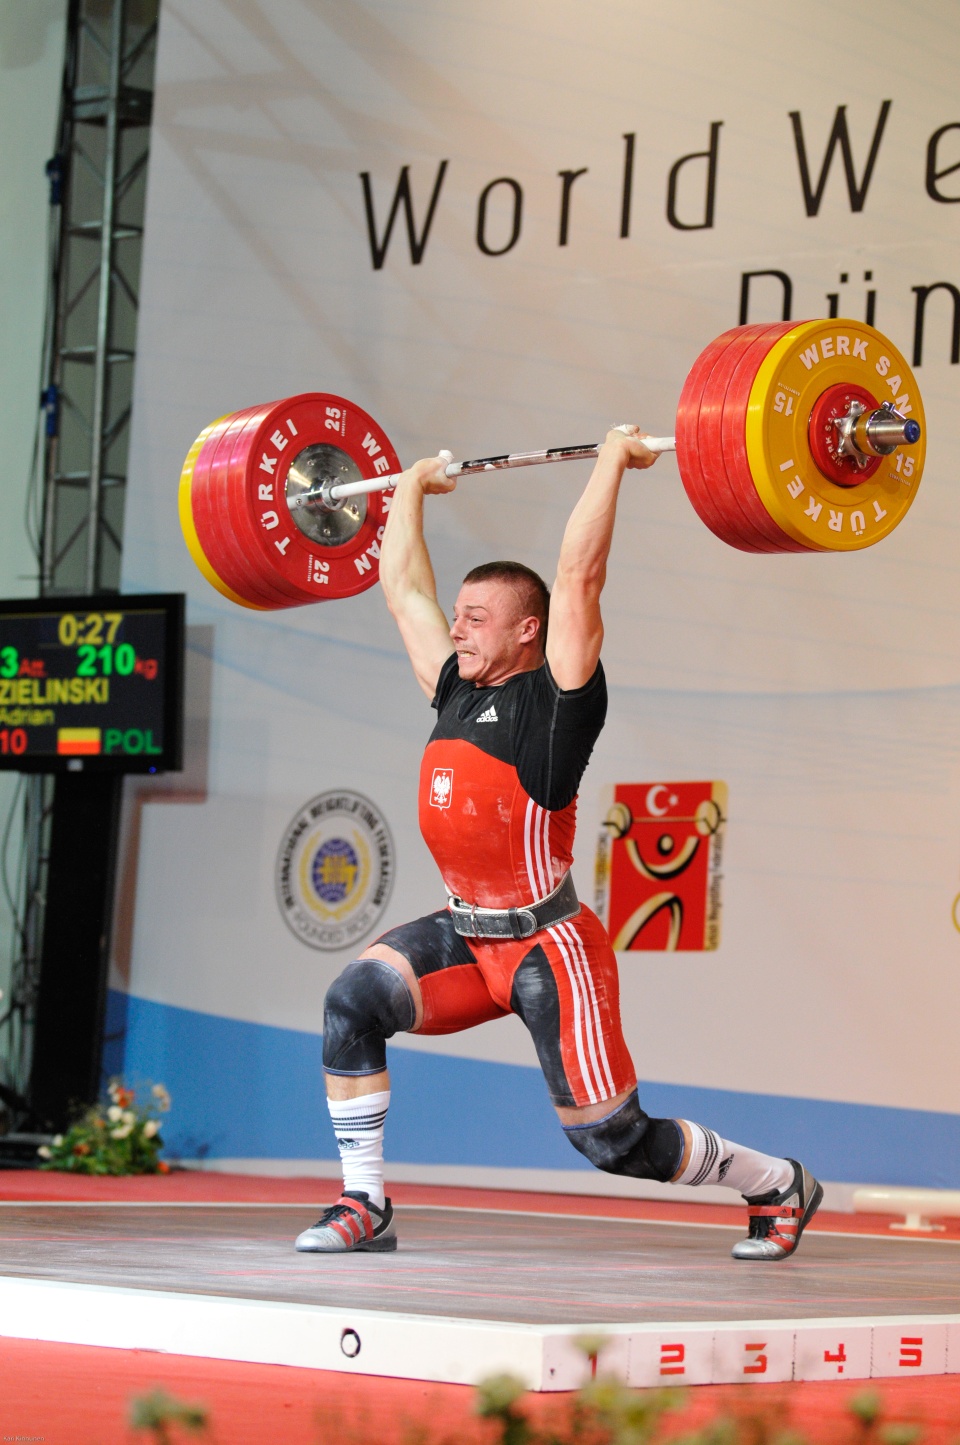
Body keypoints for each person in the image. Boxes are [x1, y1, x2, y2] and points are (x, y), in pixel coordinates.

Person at [294, 426, 822, 1261]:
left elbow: (579, 575)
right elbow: (401, 589)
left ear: (529, 631)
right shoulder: (453, 690)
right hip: (468, 938)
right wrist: (409, 491)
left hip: (549, 948)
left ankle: (774, 1181)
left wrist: (612, 461)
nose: (458, 629)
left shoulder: (558, 703)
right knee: (349, 1004)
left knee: (613, 1139)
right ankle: (366, 1201)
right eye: (458, 616)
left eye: (477, 618)